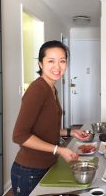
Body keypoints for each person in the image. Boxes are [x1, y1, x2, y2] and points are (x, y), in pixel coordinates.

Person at [11, 40, 90, 196]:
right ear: (40, 64)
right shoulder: (38, 89)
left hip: (45, 165)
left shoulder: (51, 88)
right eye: (51, 61)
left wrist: (70, 132)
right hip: (29, 170)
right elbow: (19, 135)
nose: (57, 67)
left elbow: (44, 127)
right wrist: (59, 149)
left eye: (62, 61)